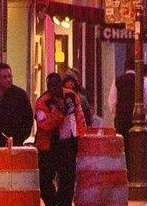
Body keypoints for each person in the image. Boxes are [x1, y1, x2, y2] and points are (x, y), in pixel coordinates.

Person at [35, 72, 84, 206]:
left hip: (68, 143)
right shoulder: (42, 102)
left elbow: (79, 117)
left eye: (57, 85)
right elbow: (44, 125)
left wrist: (80, 136)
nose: (54, 89)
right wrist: (59, 112)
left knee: (67, 179)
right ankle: (52, 203)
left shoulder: (71, 96)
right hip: (49, 146)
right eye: (51, 86)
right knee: (44, 180)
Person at [0, 63, 36, 149]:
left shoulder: (20, 95)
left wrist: (19, 139)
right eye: (4, 77)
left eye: (10, 76)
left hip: (15, 145)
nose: (8, 80)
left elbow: (28, 119)